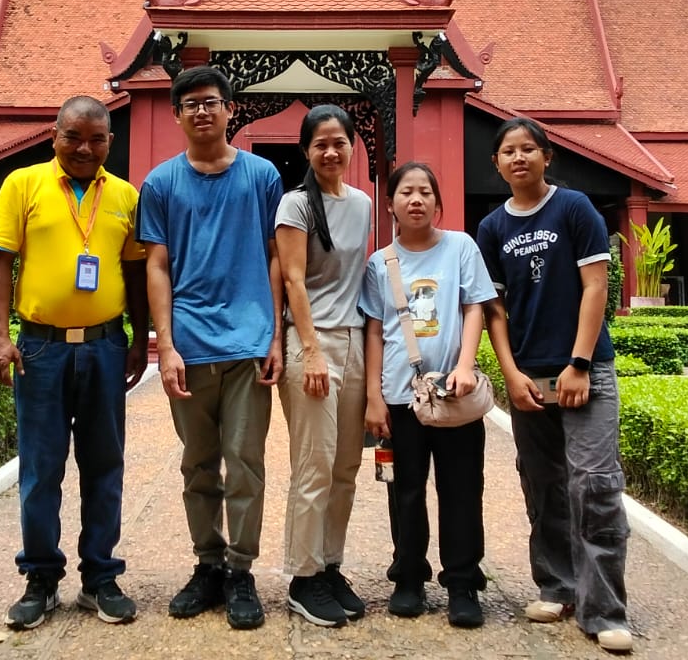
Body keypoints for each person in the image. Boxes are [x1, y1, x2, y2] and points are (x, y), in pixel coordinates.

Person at [0, 95, 149, 630]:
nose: (84, 148)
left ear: (110, 142)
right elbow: (0, 263)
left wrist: (137, 339)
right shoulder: (23, 184)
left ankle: (100, 577)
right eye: (73, 137)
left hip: (103, 346)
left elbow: (137, 275)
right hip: (40, 349)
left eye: (96, 139)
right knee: (41, 469)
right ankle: (41, 578)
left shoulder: (124, 195)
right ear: (55, 134)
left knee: (104, 465)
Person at [475, 116, 632, 654]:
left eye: (528, 150)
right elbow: (495, 311)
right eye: (508, 152)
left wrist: (581, 363)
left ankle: (606, 609)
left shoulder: (574, 209)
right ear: (496, 164)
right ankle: (558, 586)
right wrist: (510, 374)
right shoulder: (493, 228)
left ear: (546, 157)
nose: (518, 159)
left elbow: (596, 287)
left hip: (585, 372)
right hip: (529, 377)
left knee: (594, 486)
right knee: (542, 487)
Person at [137, 65, 284, 630]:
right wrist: (165, 346)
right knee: (198, 464)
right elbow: (158, 265)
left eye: (212, 102)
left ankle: (241, 571)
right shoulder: (161, 183)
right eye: (191, 103)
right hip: (191, 346)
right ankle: (208, 563)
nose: (202, 111)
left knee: (245, 463)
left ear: (230, 110)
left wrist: (275, 333)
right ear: (177, 115)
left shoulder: (262, 175)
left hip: (249, 345)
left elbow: (276, 255)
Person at [360, 161, 498, 628]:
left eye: (424, 192)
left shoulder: (461, 247)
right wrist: (374, 396)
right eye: (406, 193)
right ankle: (409, 576)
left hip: (453, 394)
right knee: (405, 490)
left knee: (461, 489)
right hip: (400, 398)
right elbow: (374, 331)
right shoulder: (381, 263)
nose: (415, 200)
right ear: (392, 204)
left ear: (438, 203)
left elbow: (474, 306)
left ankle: (461, 581)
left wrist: (464, 365)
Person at [275, 104, 373, 627]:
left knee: (346, 467)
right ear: (307, 151)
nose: (331, 151)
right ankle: (302, 575)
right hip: (312, 344)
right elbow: (293, 280)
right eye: (320, 144)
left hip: (356, 339)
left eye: (339, 141)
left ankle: (329, 563)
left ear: (352, 145)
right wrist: (310, 349)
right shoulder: (295, 206)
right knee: (313, 465)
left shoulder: (362, 204)